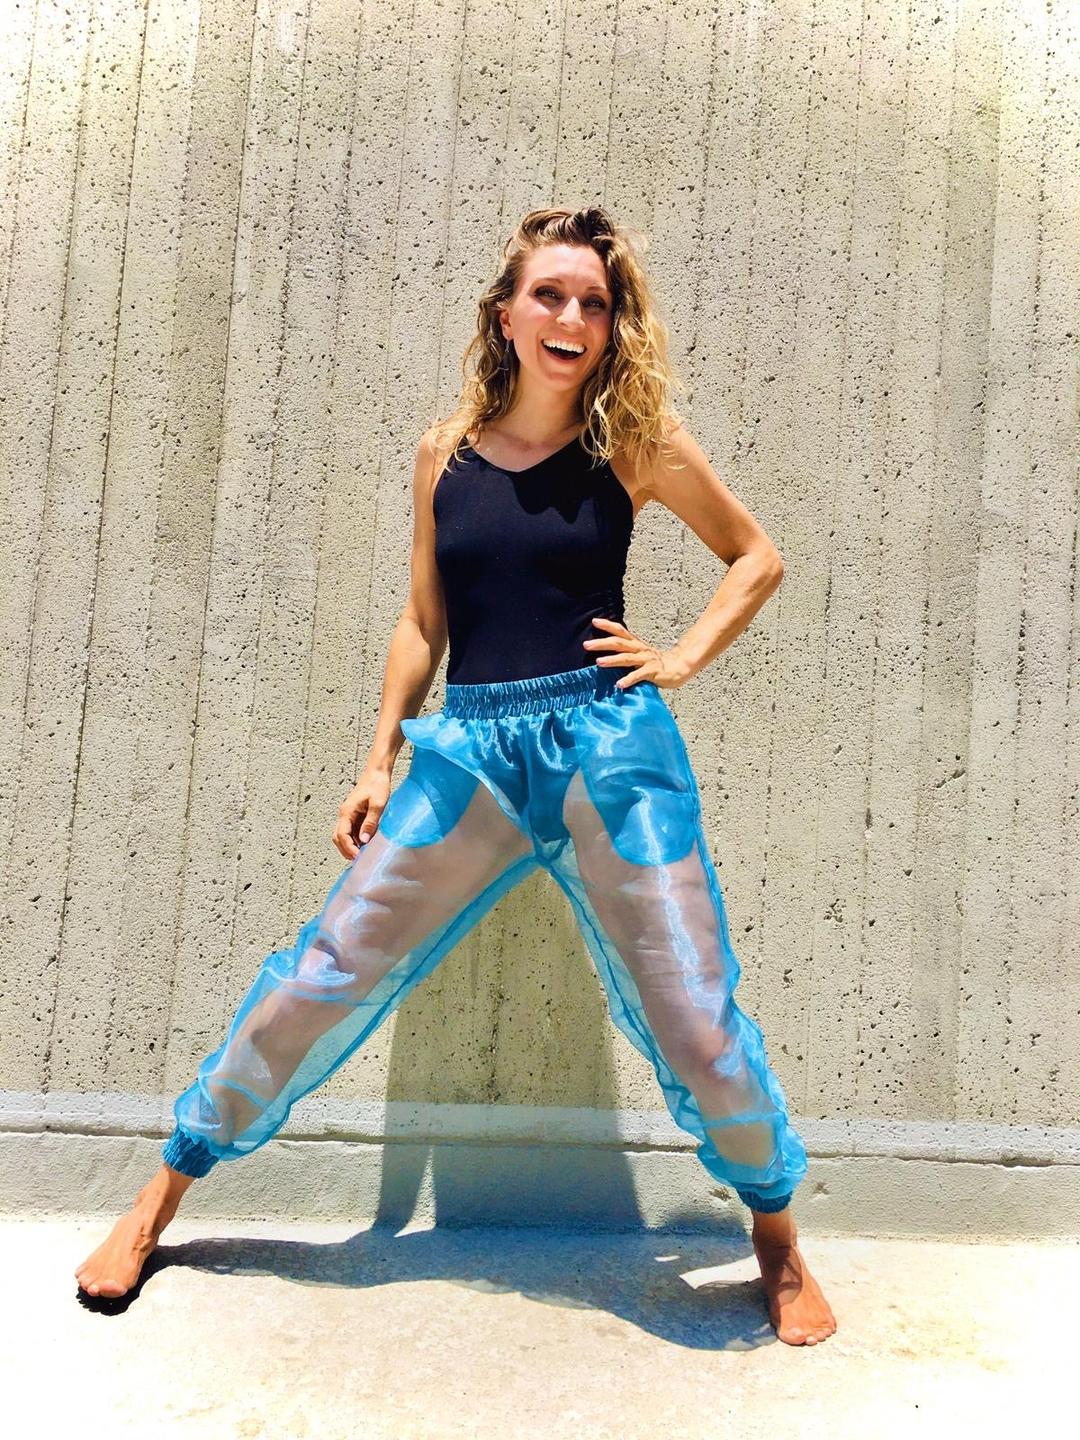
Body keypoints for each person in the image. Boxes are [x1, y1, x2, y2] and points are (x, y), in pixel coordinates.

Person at [76, 206, 836, 1346]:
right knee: (325, 970)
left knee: (693, 1011)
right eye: (551, 295)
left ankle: (775, 1239)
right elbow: (424, 619)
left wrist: (678, 657)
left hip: (608, 753)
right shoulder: (445, 454)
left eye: (595, 301)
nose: (573, 316)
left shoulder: (636, 444)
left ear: (612, 323)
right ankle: (161, 1195)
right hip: (469, 755)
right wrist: (379, 754)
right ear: (507, 313)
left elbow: (755, 557)